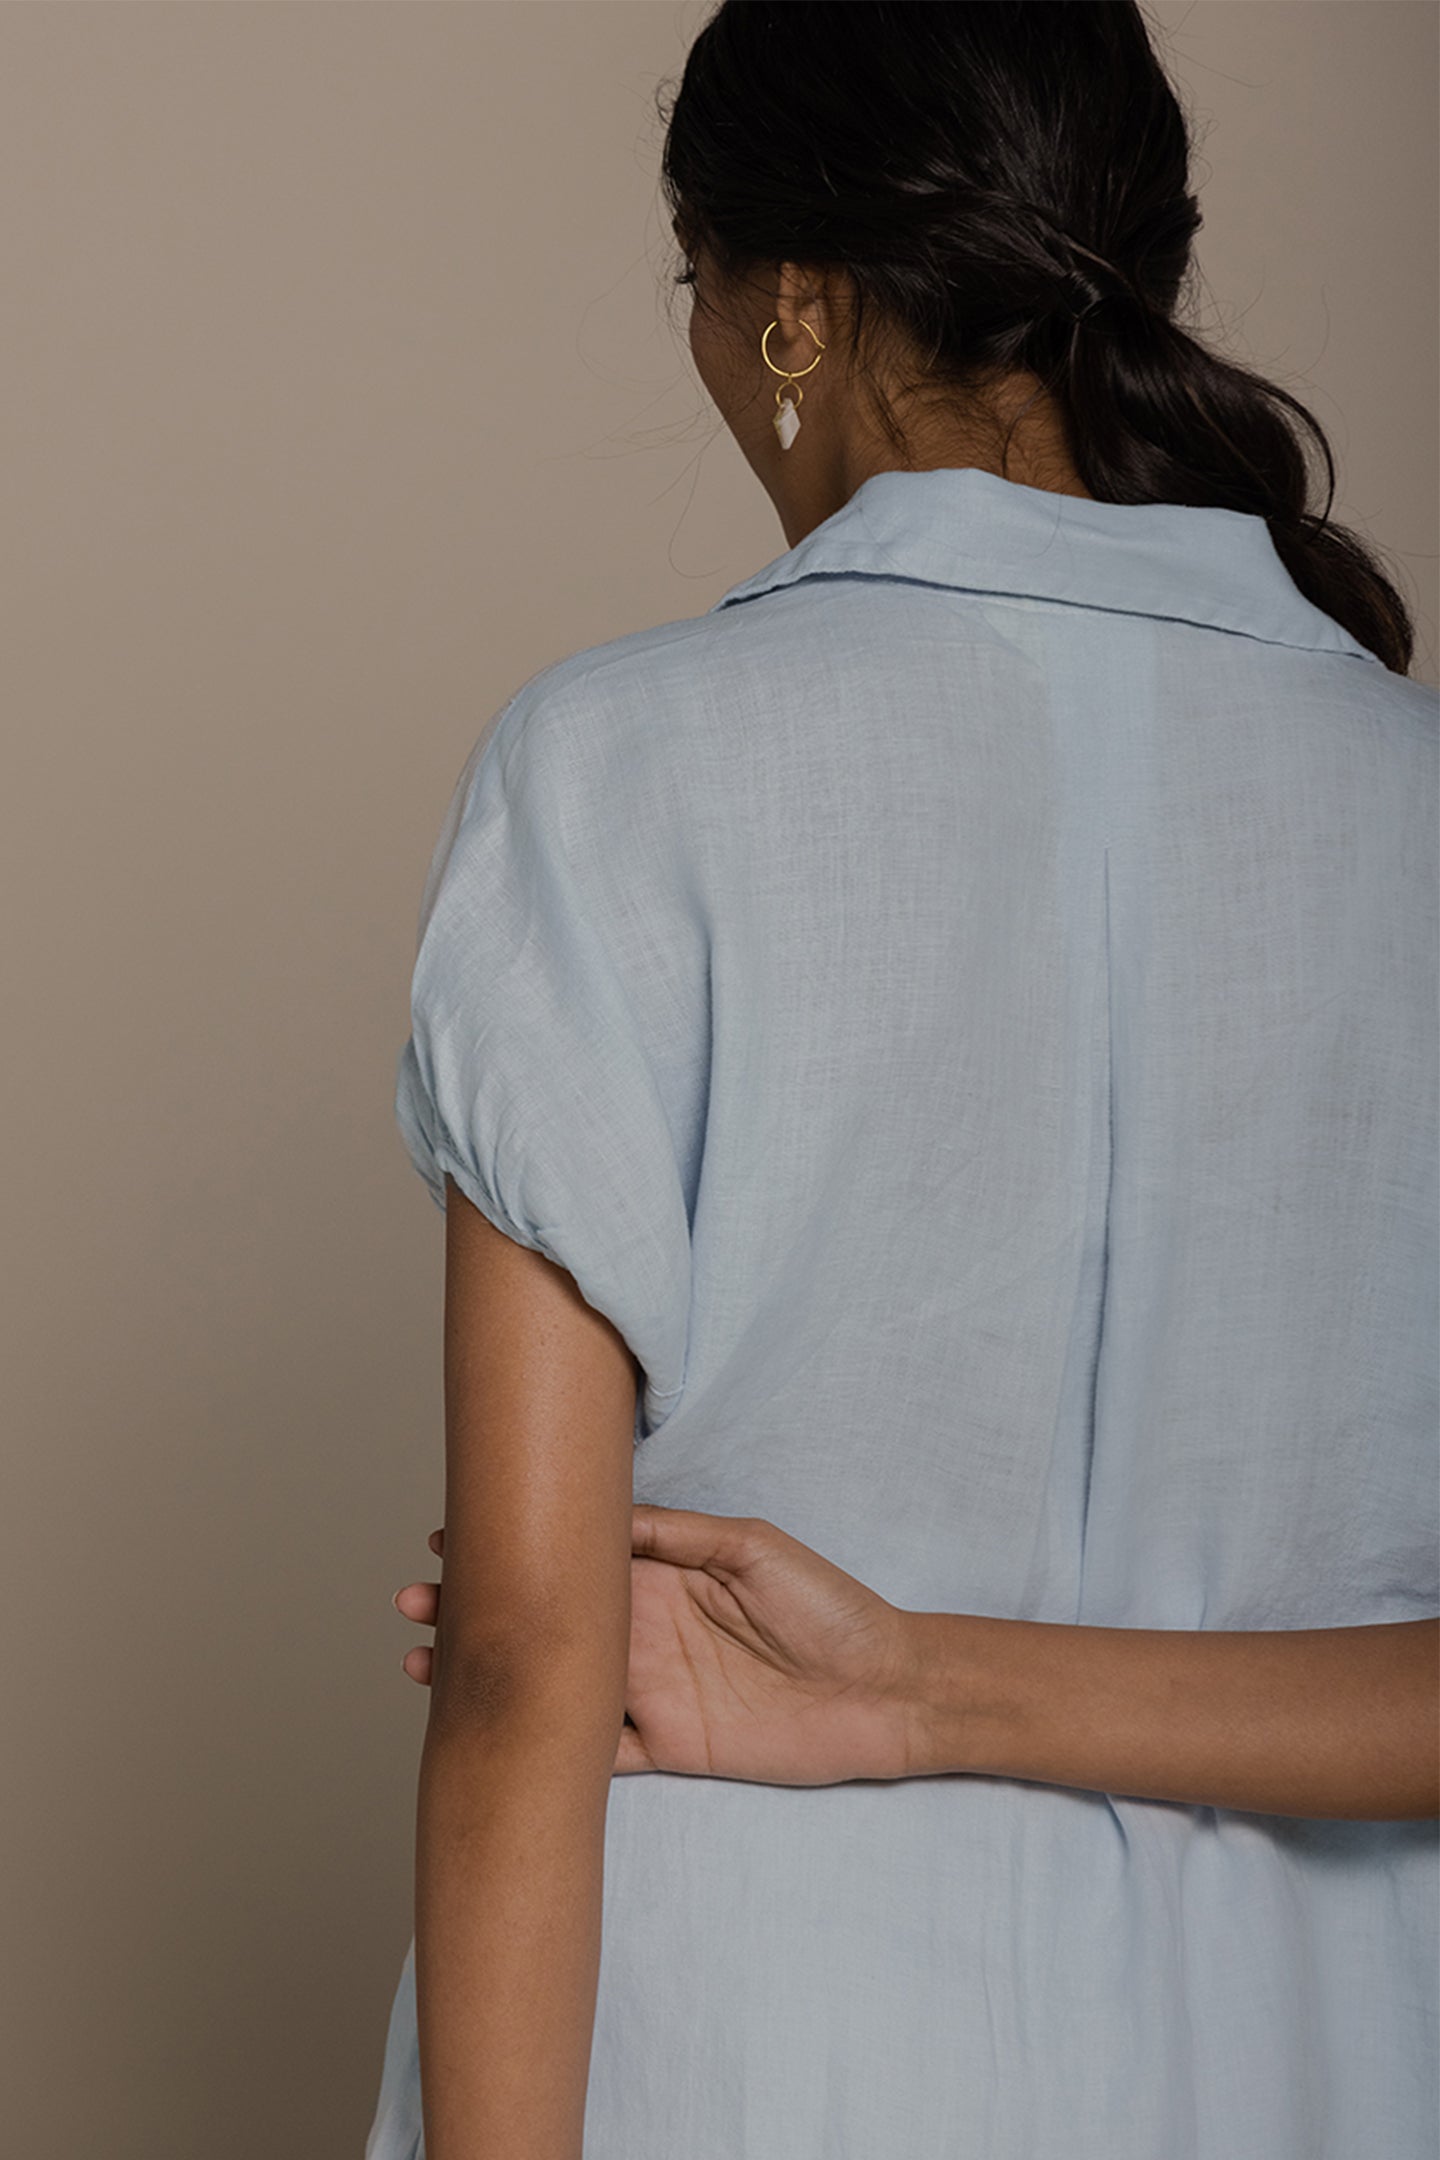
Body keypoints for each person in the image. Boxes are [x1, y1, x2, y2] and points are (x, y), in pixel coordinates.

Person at [362, 5, 1439, 2157]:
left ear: (793, 306)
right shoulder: (1410, 800)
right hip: (1327, 2058)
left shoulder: (616, 768)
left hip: (751, 2050)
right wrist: (934, 1677)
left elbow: (525, 1667)